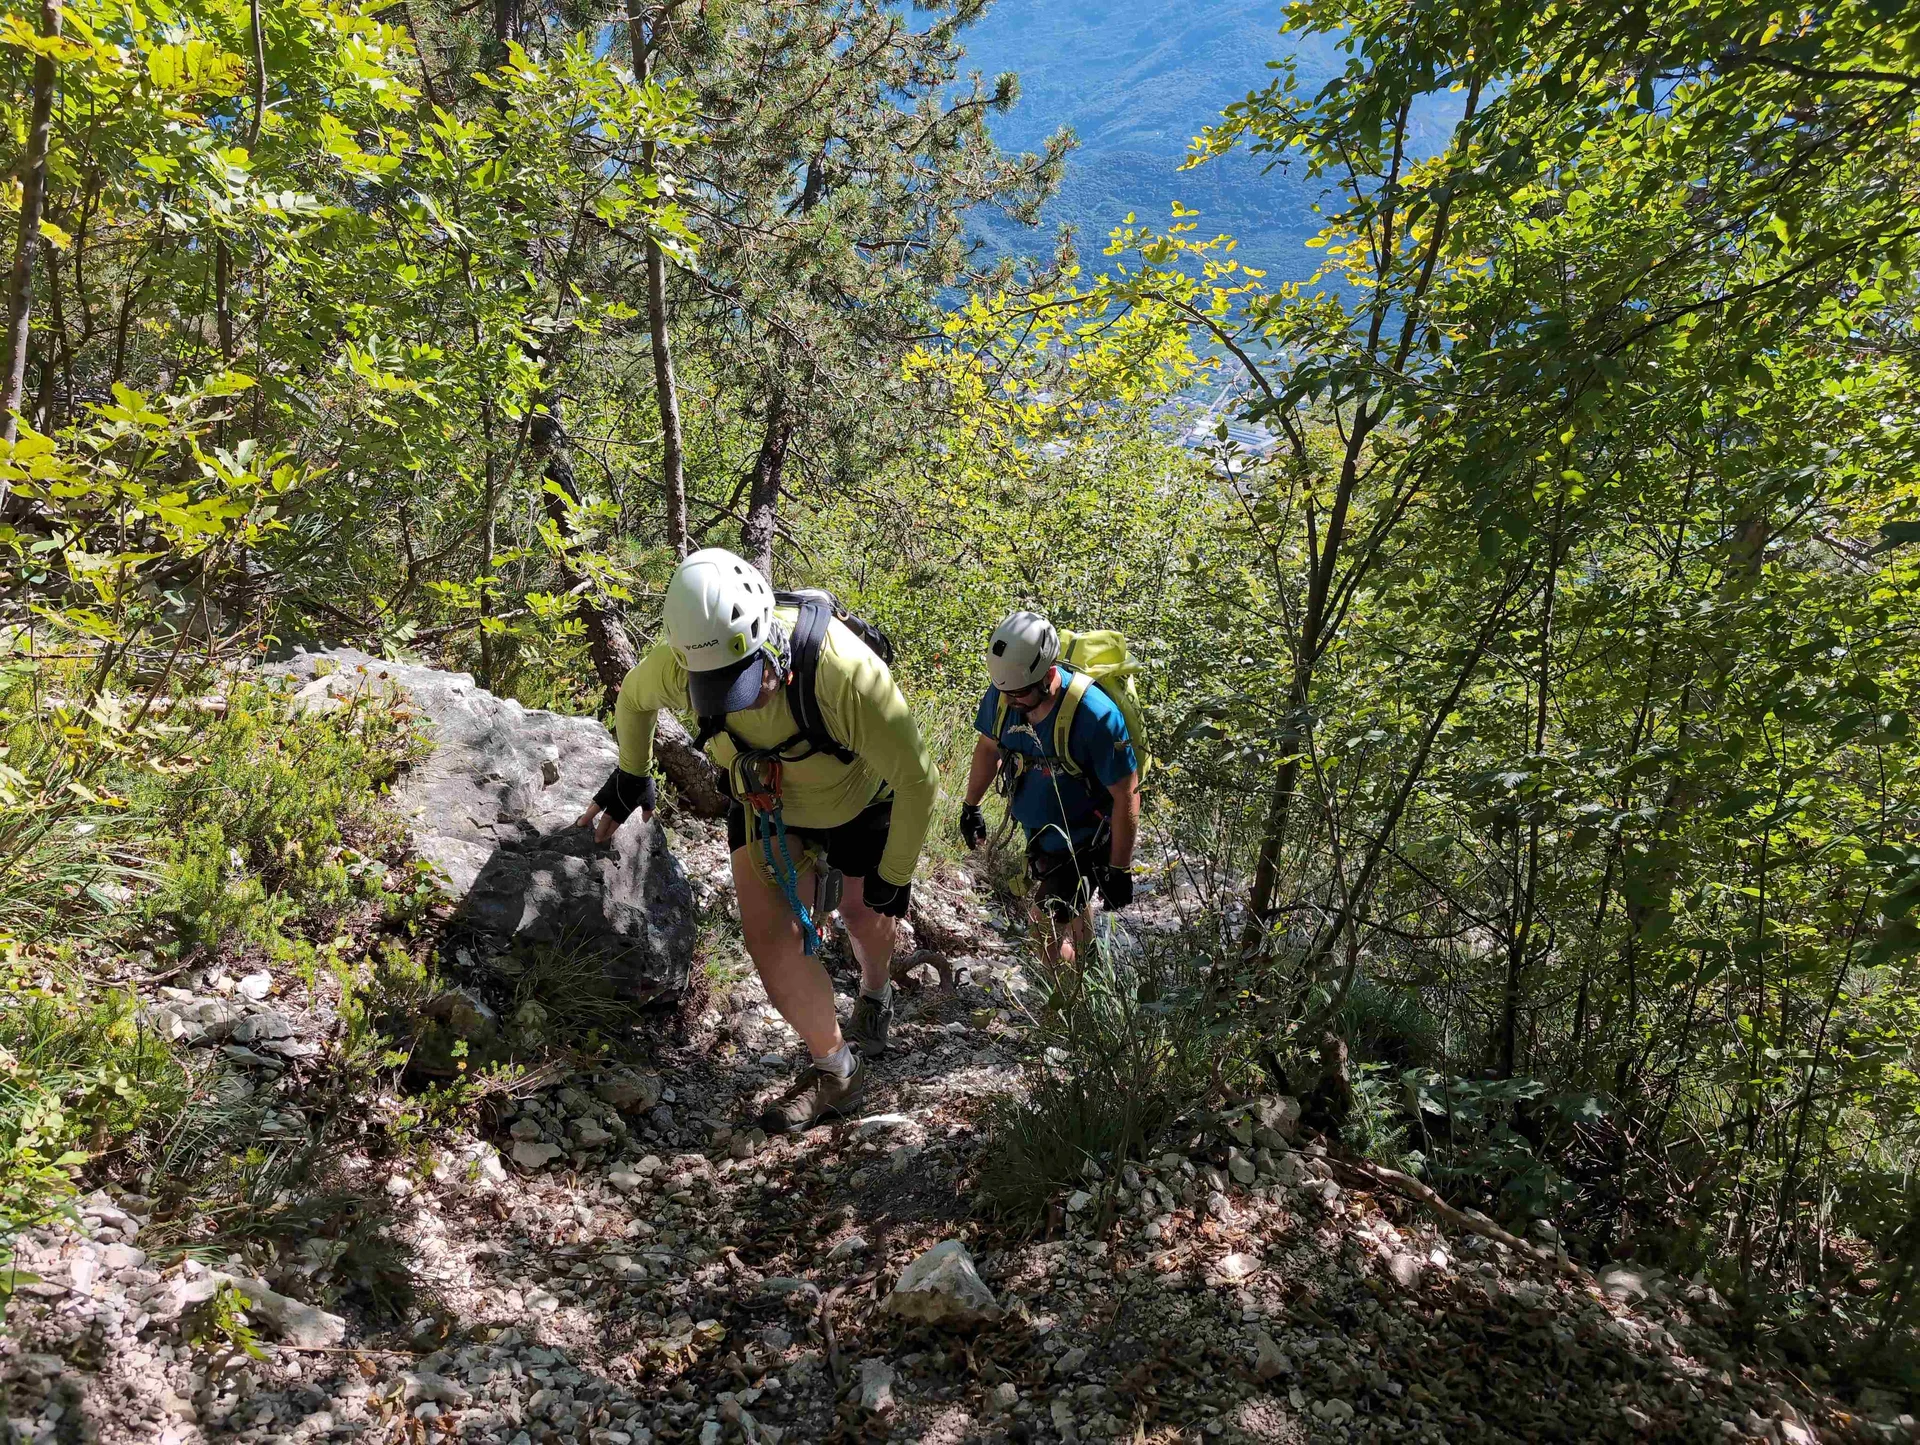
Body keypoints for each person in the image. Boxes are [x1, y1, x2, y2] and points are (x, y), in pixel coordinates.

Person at [575, 548, 936, 1132]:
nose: (741, 699)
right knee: (769, 941)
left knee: (863, 915)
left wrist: (894, 876)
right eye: (717, 689)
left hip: (859, 799)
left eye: (749, 680)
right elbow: (634, 700)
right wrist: (631, 772)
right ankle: (836, 1069)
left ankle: (875, 992)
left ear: (770, 639)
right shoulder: (678, 665)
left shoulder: (847, 674)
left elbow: (919, 780)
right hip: (764, 802)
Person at [957, 610, 1139, 966]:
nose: (1010, 702)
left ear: (1048, 674)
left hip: (1085, 834)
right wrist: (971, 806)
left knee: (1045, 928)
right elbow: (989, 747)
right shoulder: (1005, 693)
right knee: (1071, 911)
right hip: (1041, 834)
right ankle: (1089, 976)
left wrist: (1120, 869)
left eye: (1020, 693)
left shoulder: (1096, 717)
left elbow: (1127, 794)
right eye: (1004, 692)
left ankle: (1062, 1010)